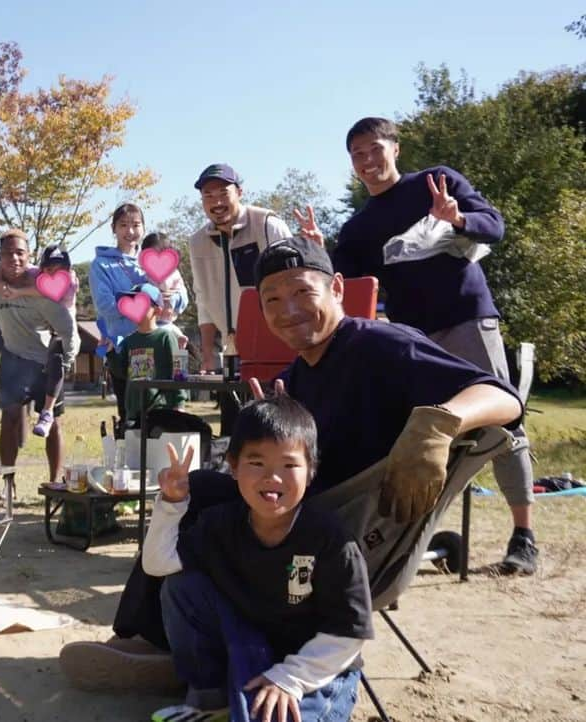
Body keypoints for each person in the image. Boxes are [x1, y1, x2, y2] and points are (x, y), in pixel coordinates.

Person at [60, 237, 523, 692]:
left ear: (337, 289)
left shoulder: (382, 344)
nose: (289, 310)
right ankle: (156, 641)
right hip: (297, 512)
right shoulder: (299, 371)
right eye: (273, 299)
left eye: (304, 292)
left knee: (202, 499)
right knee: (194, 489)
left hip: (345, 532)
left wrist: (438, 426)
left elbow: (504, 397)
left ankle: (170, 650)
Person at [306, 116, 538, 575]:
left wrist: (458, 218)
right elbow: (344, 286)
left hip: (466, 318)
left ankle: (523, 537)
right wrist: (319, 251)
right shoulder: (357, 229)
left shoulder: (436, 183)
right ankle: (411, 541)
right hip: (412, 341)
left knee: (505, 425)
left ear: (395, 148)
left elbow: (494, 225)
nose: (368, 161)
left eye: (375, 149)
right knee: (418, 438)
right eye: (358, 155)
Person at [145, 397, 372, 722]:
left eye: (289, 465)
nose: (273, 477)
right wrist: (170, 503)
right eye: (257, 463)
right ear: (233, 467)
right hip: (253, 650)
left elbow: (350, 634)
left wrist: (289, 678)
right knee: (181, 586)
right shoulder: (220, 524)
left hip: (318, 668)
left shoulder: (331, 541)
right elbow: (158, 564)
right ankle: (212, 700)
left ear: (311, 471)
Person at [0, 229, 79, 499]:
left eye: (20, 253)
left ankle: (55, 482)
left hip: (47, 359)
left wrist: (66, 361)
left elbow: (69, 329)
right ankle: (8, 483)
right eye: (8, 253)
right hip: (13, 356)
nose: (14, 258)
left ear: (30, 256)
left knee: (52, 422)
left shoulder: (45, 283)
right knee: (9, 417)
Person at [187, 163, 290, 372]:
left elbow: (292, 284)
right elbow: (203, 300)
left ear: (239, 192)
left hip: (276, 343)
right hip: (230, 350)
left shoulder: (267, 225)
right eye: (208, 195)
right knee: (233, 405)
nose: (216, 202)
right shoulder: (197, 241)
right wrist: (207, 353)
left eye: (224, 193)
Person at [90, 204, 187, 422]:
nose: (130, 231)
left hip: (161, 346)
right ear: (113, 228)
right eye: (123, 225)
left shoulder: (154, 257)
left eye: (136, 225)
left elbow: (183, 296)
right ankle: (132, 453)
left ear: (143, 228)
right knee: (132, 413)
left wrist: (173, 300)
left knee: (168, 408)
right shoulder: (101, 265)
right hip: (127, 347)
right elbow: (105, 305)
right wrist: (142, 312)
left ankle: (166, 453)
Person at [0, 244, 79, 437]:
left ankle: (47, 411)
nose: (54, 273)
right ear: (41, 269)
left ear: (68, 269)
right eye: (49, 269)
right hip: (45, 333)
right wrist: (0, 281)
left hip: (66, 333)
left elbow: (48, 292)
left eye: (60, 269)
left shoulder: (71, 281)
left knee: (58, 359)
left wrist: (19, 292)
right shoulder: (36, 274)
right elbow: (11, 268)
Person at [110, 283, 187, 427]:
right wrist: (110, 353)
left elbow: (178, 372)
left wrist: (179, 402)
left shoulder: (165, 336)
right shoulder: (129, 340)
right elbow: (121, 372)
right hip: (134, 410)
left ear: (157, 310)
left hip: (161, 409)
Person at [138, 232, 188, 348]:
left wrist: (171, 302)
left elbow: (183, 296)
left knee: (172, 331)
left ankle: (180, 344)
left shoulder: (175, 275)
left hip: (167, 321)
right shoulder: (144, 277)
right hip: (151, 321)